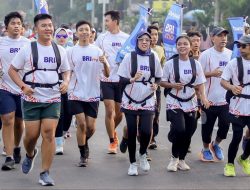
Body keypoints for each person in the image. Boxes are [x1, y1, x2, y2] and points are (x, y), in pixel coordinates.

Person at [8, 14, 71, 186]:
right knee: (31, 136)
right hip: (32, 99)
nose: (48, 28)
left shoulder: (60, 50)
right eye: (44, 26)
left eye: (50, 25)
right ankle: (29, 154)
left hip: (53, 98)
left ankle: (45, 173)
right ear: (36, 29)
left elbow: (66, 71)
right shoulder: (27, 49)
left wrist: (65, 82)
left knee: (49, 133)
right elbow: (12, 70)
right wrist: (23, 86)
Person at [160, 35, 210, 172]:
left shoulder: (196, 64)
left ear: (190, 46)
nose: (182, 46)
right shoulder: (170, 64)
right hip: (174, 101)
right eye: (179, 44)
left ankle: (182, 160)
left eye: (185, 44)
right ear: (176, 47)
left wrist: (204, 98)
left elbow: (200, 83)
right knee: (180, 130)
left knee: (189, 132)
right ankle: (174, 158)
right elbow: (161, 82)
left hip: (191, 101)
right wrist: (172, 85)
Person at [117, 31, 163, 176]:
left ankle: (142, 153)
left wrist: (156, 84)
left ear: (150, 43)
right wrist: (132, 79)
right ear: (136, 42)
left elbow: (159, 77)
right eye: (141, 40)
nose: (144, 42)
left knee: (147, 131)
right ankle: (132, 163)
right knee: (131, 131)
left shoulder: (153, 56)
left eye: (147, 40)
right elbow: (121, 79)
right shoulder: (129, 57)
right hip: (131, 97)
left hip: (148, 97)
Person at [67, 20, 110, 167]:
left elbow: (108, 74)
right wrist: (66, 84)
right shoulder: (70, 51)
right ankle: (82, 154)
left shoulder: (97, 51)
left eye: (87, 30)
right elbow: (66, 72)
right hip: (75, 92)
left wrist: (104, 62)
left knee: (91, 127)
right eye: (81, 30)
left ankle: (83, 142)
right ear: (76, 32)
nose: (84, 32)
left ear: (91, 32)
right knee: (82, 124)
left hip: (92, 92)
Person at [95, 10, 129, 154]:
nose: (106, 23)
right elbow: (95, 53)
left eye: (107, 20)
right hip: (107, 78)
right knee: (109, 110)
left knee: (119, 113)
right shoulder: (102, 38)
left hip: (121, 80)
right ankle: (112, 140)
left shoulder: (126, 38)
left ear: (115, 21)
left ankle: (113, 130)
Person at [0, 11, 30, 171]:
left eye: (19, 23)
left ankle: (17, 146)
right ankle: (9, 156)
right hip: (4, 87)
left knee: (19, 123)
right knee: (7, 118)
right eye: (13, 23)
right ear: (6, 27)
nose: (16, 26)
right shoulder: (1, 42)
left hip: (23, 88)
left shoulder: (27, 43)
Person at [198, 27, 232, 162]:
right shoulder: (206, 55)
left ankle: (216, 145)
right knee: (207, 128)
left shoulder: (231, 54)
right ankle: (206, 149)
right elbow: (198, 76)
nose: (223, 38)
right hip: (208, 100)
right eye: (220, 36)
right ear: (212, 38)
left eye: (225, 36)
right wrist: (211, 73)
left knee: (224, 127)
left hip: (226, 101)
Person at [221, 35, 250, 177]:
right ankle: (230, 164)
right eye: (239, 46)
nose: (240, 48)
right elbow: (223, 81)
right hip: (238, 105)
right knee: (237, 136)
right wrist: (231, 87)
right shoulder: (233, 63)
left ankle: (244, 158)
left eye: (244, 46)